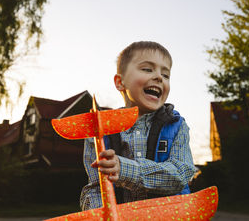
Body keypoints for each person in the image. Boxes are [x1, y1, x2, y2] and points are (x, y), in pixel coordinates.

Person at [80, 41, 197, 210]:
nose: (159, 77)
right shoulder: (100, 131)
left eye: (165, 75)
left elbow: (181, 173)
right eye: (147, 69)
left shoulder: (176, 125)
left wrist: (125, 169)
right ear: (120, 82)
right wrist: (101, 213)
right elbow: (95, 188)